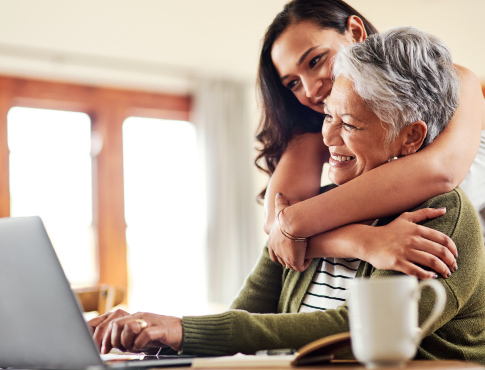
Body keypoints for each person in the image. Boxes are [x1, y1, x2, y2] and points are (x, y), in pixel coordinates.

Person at [89, 27, 485, 365]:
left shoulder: (440, 215)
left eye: (349, 124)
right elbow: (246, 314)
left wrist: (183, 330)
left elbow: (355, 332)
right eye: (328, 115)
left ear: (411, 136)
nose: (327, 138)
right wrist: (157, 336)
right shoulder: (321, 206)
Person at [257, 0, 485, 274]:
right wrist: (363, 242)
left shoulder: (454, 81)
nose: (309, 89)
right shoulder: (316, 127)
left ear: (354, 32)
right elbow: (276, 223)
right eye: (293, 83)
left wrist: (296, 222)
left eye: (315, 61)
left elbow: (441, 172)